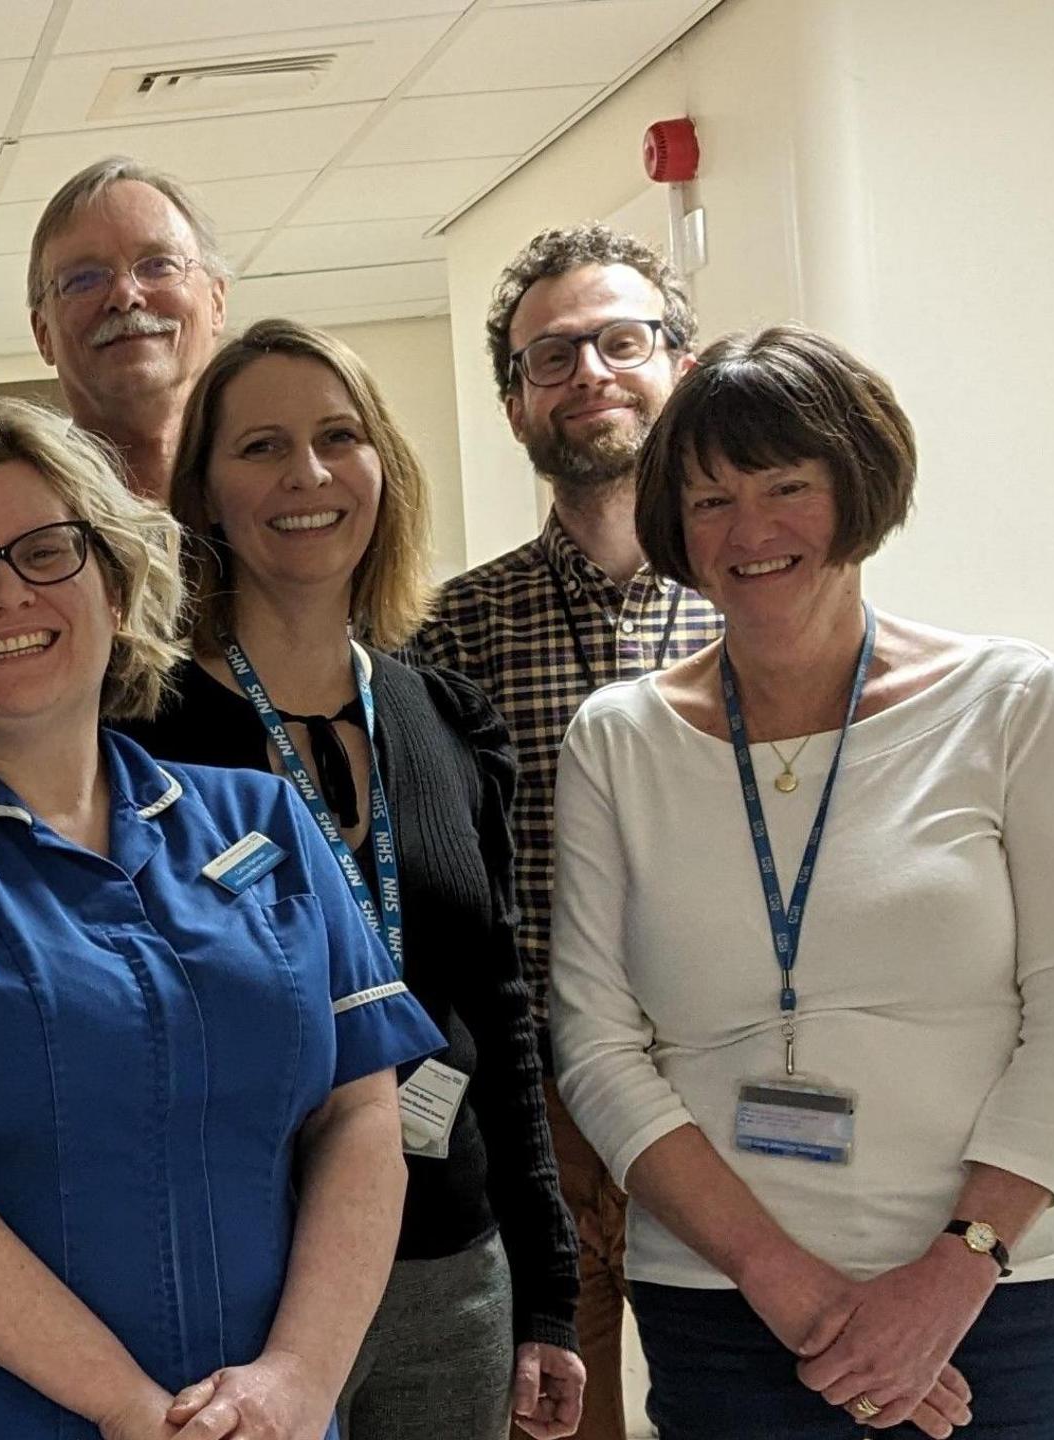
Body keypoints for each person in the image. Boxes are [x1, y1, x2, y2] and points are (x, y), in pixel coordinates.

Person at [0, 397, 443, 1440]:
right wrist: (135, 1415)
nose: (3, 596)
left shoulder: (260, 816)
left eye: (46, 552)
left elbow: (360, 1113)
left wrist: (299, 1385)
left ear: (116, 583)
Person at [550, 326, 1054, 1439]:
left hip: (994, 1297)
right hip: (724, 1306)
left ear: (856, 490)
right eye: (708, 501)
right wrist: (784, 1283)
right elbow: (596, 1042)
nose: (750, 531)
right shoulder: (618, 742)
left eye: (787, 485)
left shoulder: (1008, 702)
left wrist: (954, 1274)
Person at [125, 320, 583, 1440]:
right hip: (242, 1272)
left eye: (340, 436)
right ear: (205, 493)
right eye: (262, 447)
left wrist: (548, 1292)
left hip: (448, 1265)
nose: (309, 476)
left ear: (385, 463)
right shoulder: (137, 733)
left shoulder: (445, 716)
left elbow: (499, 1010)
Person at [402, 222, 721, 1440]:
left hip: (736, 1085)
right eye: (551, 357)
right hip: (544, 1110)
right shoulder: (451, 635)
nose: (587, 372)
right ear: (514, 402)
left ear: (679, 367)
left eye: (620, 340)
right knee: (550, 1415)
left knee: (746, 1397)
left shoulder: (761, 593)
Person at [26, 157, 231, 502]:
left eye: (158, 265)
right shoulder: (16, 520)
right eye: (83, 279)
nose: (124, 295)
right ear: (43, 333)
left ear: (216, 303)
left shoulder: (284, 499)